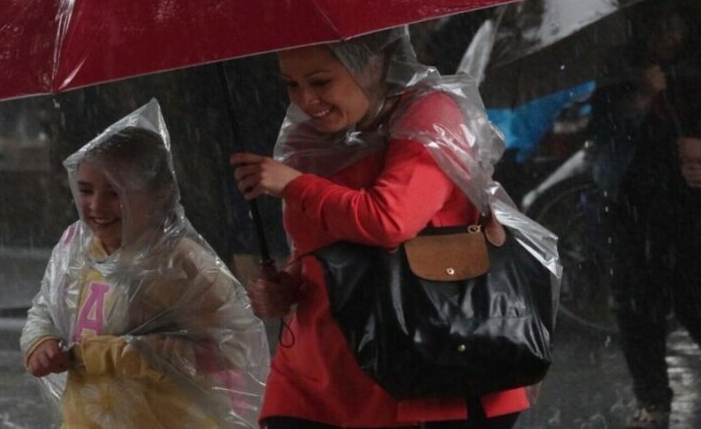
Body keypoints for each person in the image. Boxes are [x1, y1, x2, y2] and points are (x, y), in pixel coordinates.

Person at [231, 27, 557, 428]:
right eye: (291, 85)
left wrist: (294, 184)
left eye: (320, 82)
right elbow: (324, 248)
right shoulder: (309, 140)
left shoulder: (432, 114)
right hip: (323, 373)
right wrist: (287, 285)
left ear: (371, 64)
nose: (305, 100)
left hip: (431, 361)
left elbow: (389, 220)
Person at [21, 100, 269, 428]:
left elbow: (234, 345)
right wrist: (40, 343)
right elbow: (45, 310)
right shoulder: (74, 248)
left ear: (157, 194)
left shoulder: (178, 261)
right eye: (85, 190)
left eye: (115, 192)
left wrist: (136, 354)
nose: (96, 205)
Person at [609, 5, 701, 429]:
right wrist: (644, 96)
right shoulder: (624, 71)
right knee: (638, 307)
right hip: (638, 210)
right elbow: (607, 139)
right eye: (657, 25)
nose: (667, 32)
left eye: (673, 21)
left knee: (693, 298)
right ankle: (653, 400)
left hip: (690, 214)